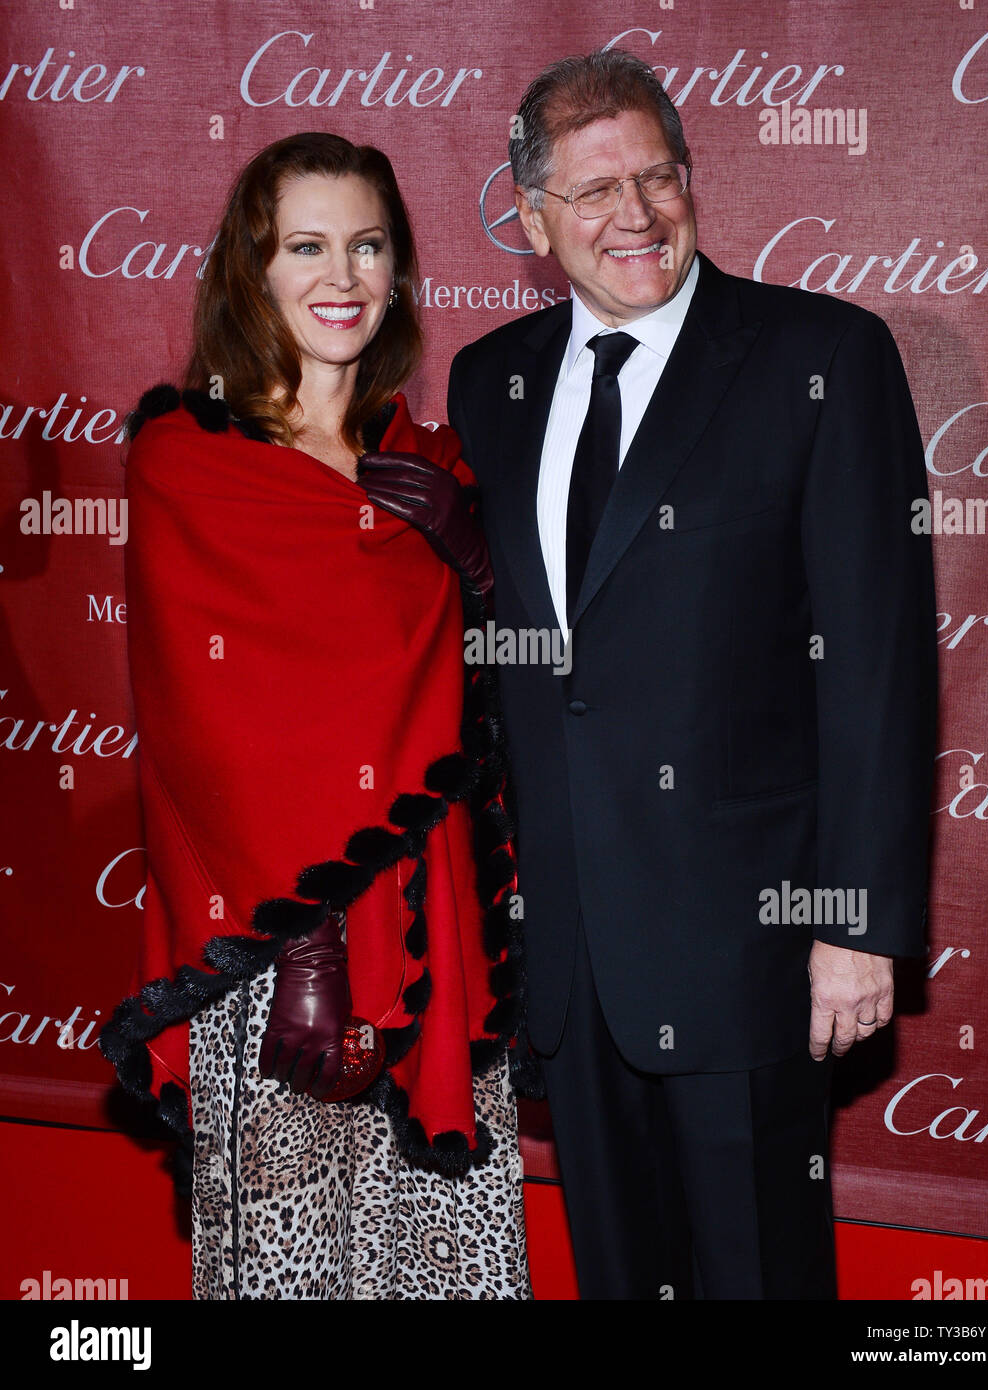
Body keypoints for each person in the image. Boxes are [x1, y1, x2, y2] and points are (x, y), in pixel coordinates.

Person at [447, 49, 938, 1300]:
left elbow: (876, 662)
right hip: (572, 957)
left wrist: (855, 923)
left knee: (757, 1274)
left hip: (749, 949)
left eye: (657, 177)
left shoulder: (818, 357)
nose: (635, 215)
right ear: (531, 216)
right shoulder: (488, 384)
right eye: (596, 190)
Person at [100, 132, 532, 1300]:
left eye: (367, 245)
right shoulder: (187, 459)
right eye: (306, 245)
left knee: (434, 1255)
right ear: (254, 268)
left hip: (428, 923)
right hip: (277, 939)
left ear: (396, 270)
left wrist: (478, 569)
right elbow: (206, 722)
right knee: (290, 1268)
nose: (340, 275)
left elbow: (501, 704)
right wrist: (305, 939)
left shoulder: (432, 460)